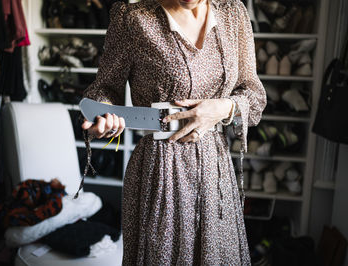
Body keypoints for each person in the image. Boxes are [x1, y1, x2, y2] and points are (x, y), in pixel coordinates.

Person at [81, 0, 266, 264]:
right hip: (161, 168)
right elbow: (104, 88)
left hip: (215, 168)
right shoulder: (133, 18)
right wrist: (104, 115)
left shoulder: (232, 13)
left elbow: (254, 94)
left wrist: (224, 107)